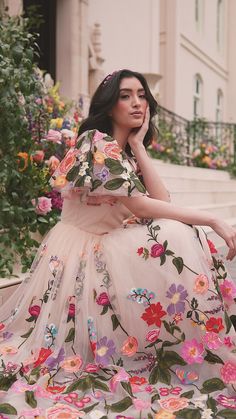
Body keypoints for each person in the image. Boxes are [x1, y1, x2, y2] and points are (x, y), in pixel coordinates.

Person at [0, 69, 236, 418]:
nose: (137, 102)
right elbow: (143, 207)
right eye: (125, 95)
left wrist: (139, 144)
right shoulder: (96, 141)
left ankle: (181, 340)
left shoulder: (125, 152)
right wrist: (213, 219)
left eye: (141, 94)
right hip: (81, 252)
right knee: (179, 232)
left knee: (177, 231)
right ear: (109, 105)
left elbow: (162, 198)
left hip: (103, 246)